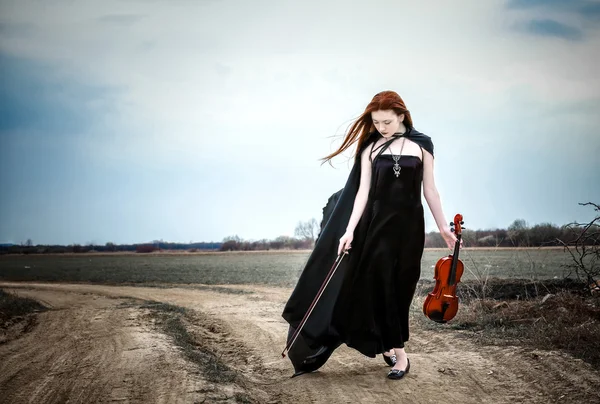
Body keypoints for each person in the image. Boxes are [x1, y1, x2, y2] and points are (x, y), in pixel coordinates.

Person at [281, 90, 459, 380]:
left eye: (387, 122)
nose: (381, 127)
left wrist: (443, 228)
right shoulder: (371, 149)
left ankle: (386, 342)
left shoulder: (423, 145)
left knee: (402, 288)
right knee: (383, 287)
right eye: (376, 122)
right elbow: (362, 194)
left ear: (401, 115)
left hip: (411, 229)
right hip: (378, 228)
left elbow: (430, 190)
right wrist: (349, 231)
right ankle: (399, 354)